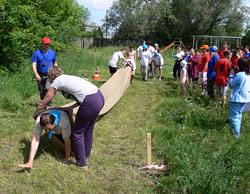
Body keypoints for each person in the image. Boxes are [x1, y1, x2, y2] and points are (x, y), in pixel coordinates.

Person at [33, 66, 105, 167]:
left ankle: (81, 163)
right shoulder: (68, 77)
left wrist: (36, 113)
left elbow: (45, 101)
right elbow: (81, 95)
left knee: (78, 132)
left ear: (51, 76)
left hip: (91, 101)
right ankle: (85, 154)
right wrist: (71, 107)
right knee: (88, 129)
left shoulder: (57, 81)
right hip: (99, 96)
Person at [31, 37, 57, 109]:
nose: (47, 46)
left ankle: (48, 104)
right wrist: (36, 74)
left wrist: (56, 71)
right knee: (42, 90)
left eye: (48, 44)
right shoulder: (37, 53)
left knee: (48, 89)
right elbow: (34, 64)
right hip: (40, 74)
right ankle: (44, 103)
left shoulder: (52, 53)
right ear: (42, 44)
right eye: (45, 44)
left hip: (50, 74)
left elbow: (54, 62)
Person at [228, 57, 250, 138]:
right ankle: (236, 133)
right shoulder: (248, 75)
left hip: (236, 98)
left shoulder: (239, 75)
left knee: (234, 117)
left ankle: (235, 135)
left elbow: (231, 84)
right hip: (245, 99)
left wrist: (231, 74)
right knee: (239, 116)